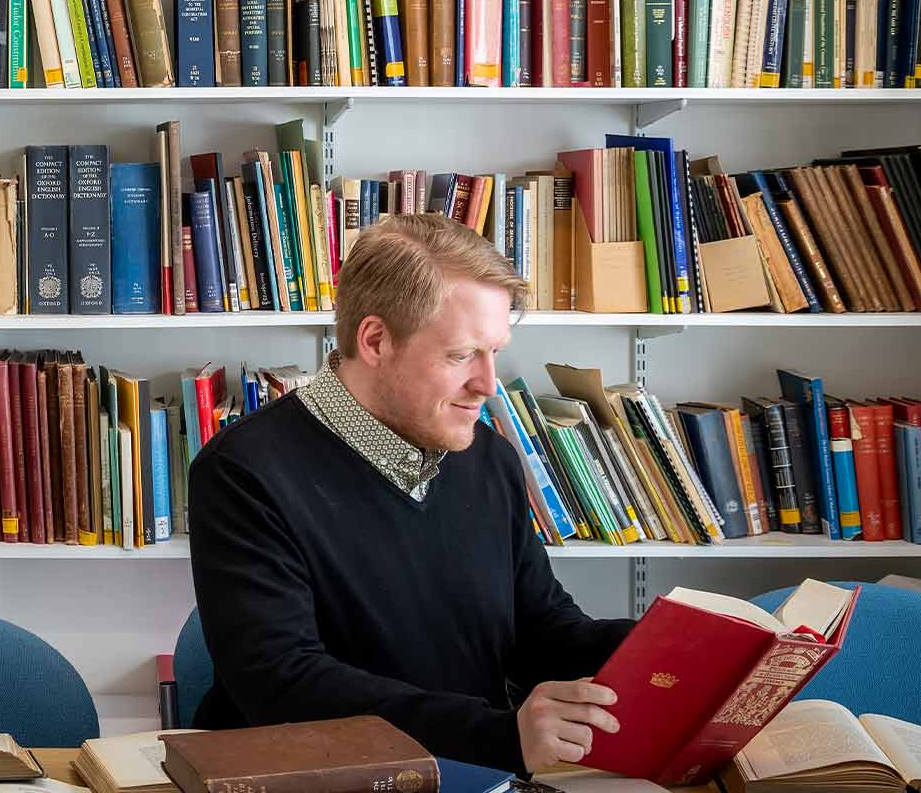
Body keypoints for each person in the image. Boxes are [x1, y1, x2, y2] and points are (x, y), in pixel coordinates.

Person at [188, 213, 635, 775]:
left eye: (495, 350)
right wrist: (502, 734)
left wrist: (665, 649)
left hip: (469, 769)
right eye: (460, 355)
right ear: (375, 340)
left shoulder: (488, 457)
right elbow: (282, 684)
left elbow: (540, 632)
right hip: (311, 778)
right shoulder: (242, 471)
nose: (488, 383)